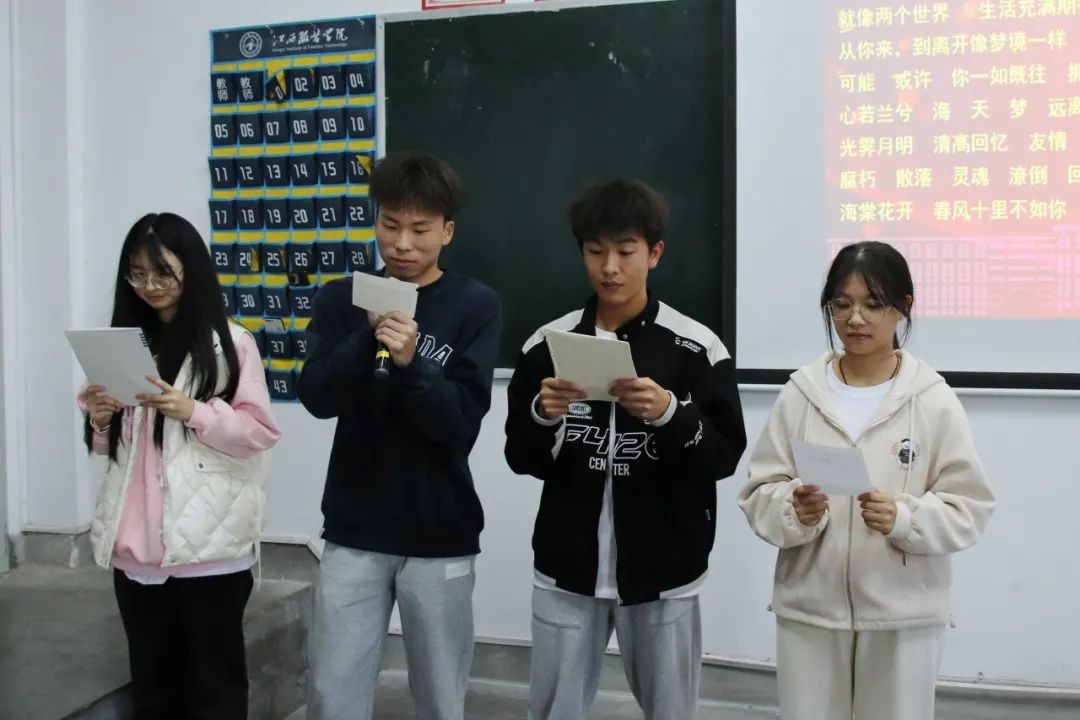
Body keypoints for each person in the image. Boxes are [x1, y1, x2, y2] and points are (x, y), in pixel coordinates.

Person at [504, 179, 747, 719]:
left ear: (654, 253)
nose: (609, 268)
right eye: (595, 252)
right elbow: (519, 458)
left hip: (666, 570)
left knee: (670, 709)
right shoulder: (547, 345)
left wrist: (669, 413)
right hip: (567, 568)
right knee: (554, 710)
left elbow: (724, 456)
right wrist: (545, 414)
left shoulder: (695, 348)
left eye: (625, 252)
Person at [738, 241, 996, 720]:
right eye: (842, 304)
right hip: (810, 612)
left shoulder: (933, 401)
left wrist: (904, 518)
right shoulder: (800, 395)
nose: (855, 319)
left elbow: (970, 507)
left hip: (904, 616)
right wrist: (794, 510)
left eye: (873, 304)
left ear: (903, 307)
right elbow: (758, 491)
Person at [298, 152, 502, 720]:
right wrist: (366, 340)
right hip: (353, 529)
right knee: (333, 693)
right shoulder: (342, 297)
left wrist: (413, 365)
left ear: (447, 231)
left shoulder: (475, 305)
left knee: (439, 698)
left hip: (440, 531)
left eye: (419, 228)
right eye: (390, 225)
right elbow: (316, 397)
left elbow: (459, 423)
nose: (402, 244)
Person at [79, 212, 281, 718]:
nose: (150, 286)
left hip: (208, 551)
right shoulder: (125, 343)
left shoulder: (230, 343)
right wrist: (100, 420)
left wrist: (194, 412)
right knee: (152, 692)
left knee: (215, 691)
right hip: (136, 553)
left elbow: (258, 433)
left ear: (193, 271)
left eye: (163, 273)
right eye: (137, 274)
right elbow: (113, 451)